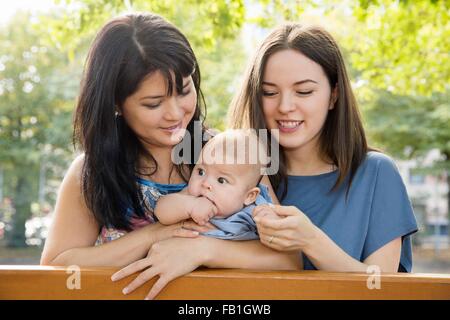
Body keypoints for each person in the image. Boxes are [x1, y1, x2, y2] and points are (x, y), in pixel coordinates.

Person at [40, 13, 300, 300]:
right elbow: (56, 267)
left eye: (184, 91)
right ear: (116, 103)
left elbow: (288, 260)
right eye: (154, 103)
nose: (175, 114)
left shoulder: (233, 155)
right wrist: (153, 235)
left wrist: (205, 249)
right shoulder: (92, 171)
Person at [228, 23, 418, 273]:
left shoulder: (376, 174)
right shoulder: (235, 173)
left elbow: (381, 286)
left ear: (334, 95)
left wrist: (310, 241)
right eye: (269, 92)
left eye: (304, 91)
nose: (285, 106)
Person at [155, 130, 274, 240]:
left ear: (249, 196)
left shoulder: (256, 210)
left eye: (221, 180)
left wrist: (271, 222)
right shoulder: (191, 197)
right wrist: (190, 206)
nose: (205, 183)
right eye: (201, 172)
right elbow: (161, 211)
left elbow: (276, 240)